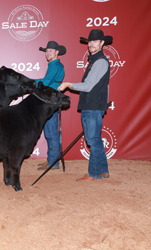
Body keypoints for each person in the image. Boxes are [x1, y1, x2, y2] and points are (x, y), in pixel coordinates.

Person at [58, 29, 112, 182]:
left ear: (102, 43)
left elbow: (88, 86)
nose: (91, 44)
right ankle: (103, 170)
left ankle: (94, 173)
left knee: (93, 140)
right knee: (95, 139)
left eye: (95, 42)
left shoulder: (100, 61)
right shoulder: (95, 61)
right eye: (90, 42)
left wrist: (68, 84)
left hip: (93, 107)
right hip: (92, 106)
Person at [33, 41, 66, 171]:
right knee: (49, 131)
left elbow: (45, 82)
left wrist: (28, 81)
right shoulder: (53, 65)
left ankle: (53, 162)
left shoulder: (55, 66)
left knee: (51, 131)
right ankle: (51, 161)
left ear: (57, 52)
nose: (48, 53)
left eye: (50, 51)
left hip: (51, 101)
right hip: (50, 100)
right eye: (46, 51)